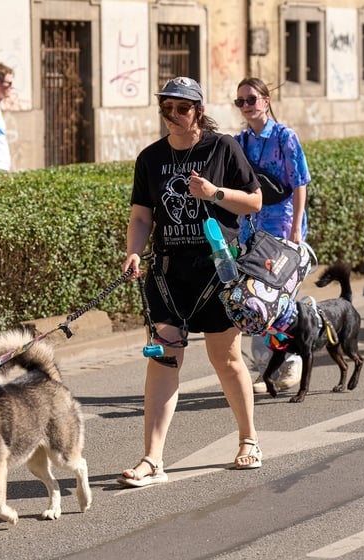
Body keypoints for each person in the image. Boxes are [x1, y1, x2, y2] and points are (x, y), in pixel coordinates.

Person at [118, 77, 263, 487]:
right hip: (168, 273)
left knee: (226, 357)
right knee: (164, 360)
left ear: (198, 110)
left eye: (182, 108)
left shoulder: (223, 148)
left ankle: (249, 438)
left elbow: (254, 201)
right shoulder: (150, 158)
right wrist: (133, 251)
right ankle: (152, 459)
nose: (174, 116)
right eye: (167, 108)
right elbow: (142, 215)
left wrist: (215, 193)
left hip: (217, 268)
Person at [233, 77, 311, 395]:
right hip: (251, 228)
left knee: (277, 295)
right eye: (240, 102)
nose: (246, 106)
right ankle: (268, 363)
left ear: (266, 101)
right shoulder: (240, 141)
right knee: (253, 296)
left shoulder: (284, 137)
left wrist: (295, 231)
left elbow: (299, 183)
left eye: (251, 99)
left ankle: (292, 356)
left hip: (282, 227)